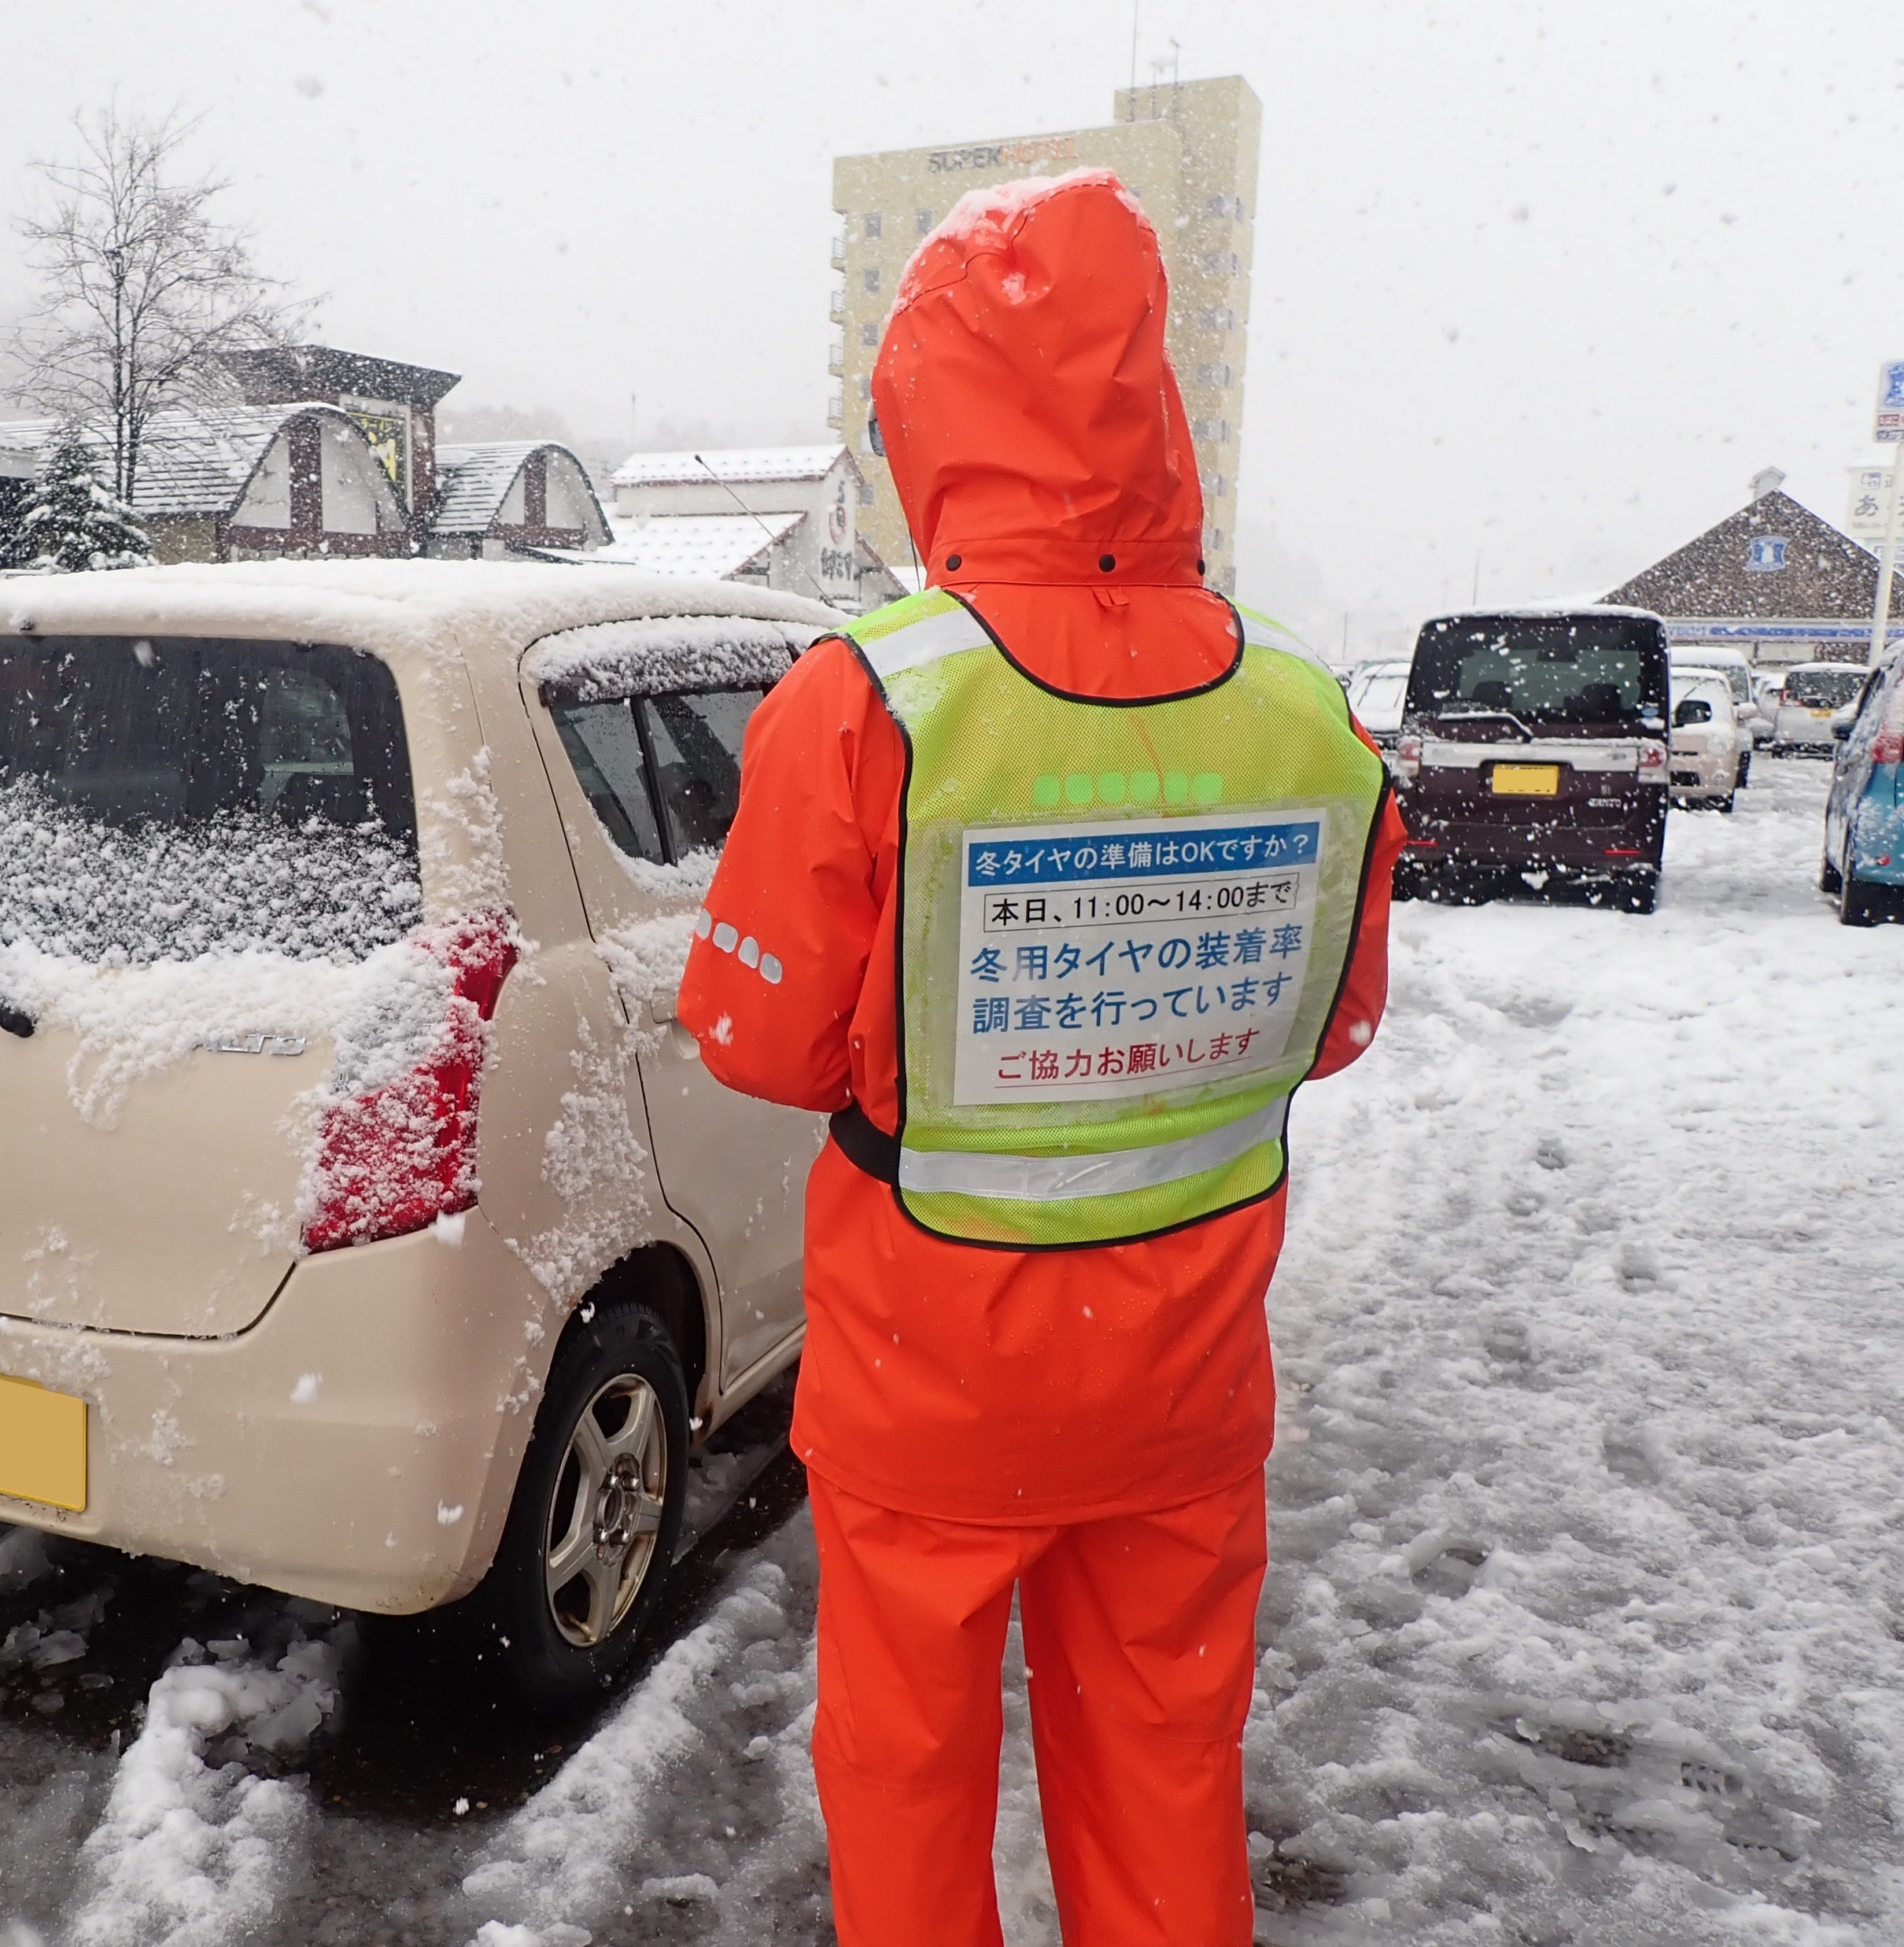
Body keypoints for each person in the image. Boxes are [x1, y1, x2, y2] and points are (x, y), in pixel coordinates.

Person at [674, 171, 1405, 1946]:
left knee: (911, 1777)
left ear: (932, 420)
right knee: (1166, 1766)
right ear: (1154, 412)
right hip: (1184, 1382)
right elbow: (1342, 1018)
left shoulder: (873, 697)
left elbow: (754, 1039)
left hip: (934, 1385)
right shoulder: (1305, 707)